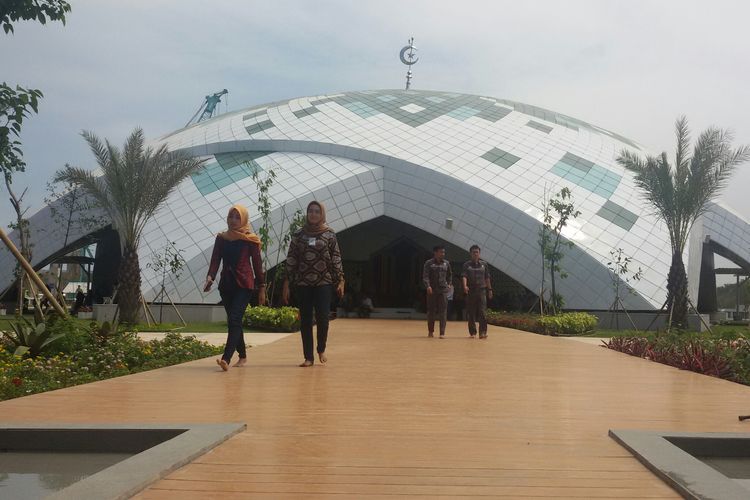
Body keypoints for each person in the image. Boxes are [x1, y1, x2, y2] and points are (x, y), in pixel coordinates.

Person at [282, 201, 345, 367]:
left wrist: (340, 280)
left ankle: (321, 349)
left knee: (323, 318)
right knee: (306, 320)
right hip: (304, 283)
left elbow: (336, 257)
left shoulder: (329, 234)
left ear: (322, 214)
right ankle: (308, 357)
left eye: (317, 211)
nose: (314, 214)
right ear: (307, 213)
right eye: (311, 211)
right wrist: (287, 282)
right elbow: (291, 259)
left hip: (324, 282)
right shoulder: (298, 234)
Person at [203, 204, 265, 371]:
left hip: (244, 285)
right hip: (227, 285)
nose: (233, 220)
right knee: (234, 320)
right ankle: (243, 356)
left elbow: (257, 264)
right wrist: (211, 277)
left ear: (244, 219)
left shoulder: (250, 239)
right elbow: (215, 259)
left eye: (237, 217)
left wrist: (262, 286)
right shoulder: (222, 238)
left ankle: (226, 358)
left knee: (235, 319)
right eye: (231, 216)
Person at [462, 244, 493, 339]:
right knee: (471, 313)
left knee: (482, 312)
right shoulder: (467, 265)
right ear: (470, 254)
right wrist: (465, 286)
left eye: (477, 252)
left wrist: (490, 289)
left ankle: (483, 332)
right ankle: (473, 333)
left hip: (482, 291)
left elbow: (487, 277)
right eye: (474, 252)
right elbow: (464, 276)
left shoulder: (484, 265)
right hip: (471, 291)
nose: (475, 254)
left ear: (479, 254)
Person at [422, 245, 452, 338]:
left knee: (443, 311)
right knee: (431, 311)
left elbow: (450, 275)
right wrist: (428, 286)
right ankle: (431, 331)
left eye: (444, 252)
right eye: (441, 252)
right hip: (432, 290)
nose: (443, 254)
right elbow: (425, 276)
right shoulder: (429, 263)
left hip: (443, 290)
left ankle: (442, 333)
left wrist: (449, 284)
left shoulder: (446, 263)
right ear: (435, 253)